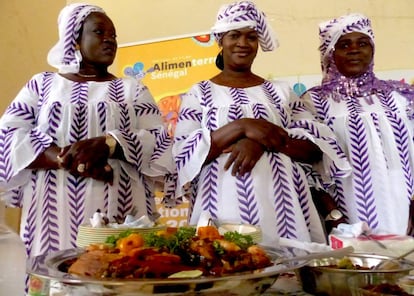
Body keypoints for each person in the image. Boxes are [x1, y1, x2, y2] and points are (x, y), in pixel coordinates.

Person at [0, 3, 175, 258]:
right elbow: (7, 136)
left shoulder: (133, 90)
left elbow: (160, 144)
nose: (109, 40)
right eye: (99, 32)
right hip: (51, 213)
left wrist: (109, 145)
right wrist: (64, 158)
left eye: (113, 35)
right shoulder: (43, 86)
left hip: (123, 214)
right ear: (75, 39)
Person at [171, 1, 351, 244]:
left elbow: (314, 149)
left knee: (287, 274)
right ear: (220, 40)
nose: (243, 43)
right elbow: (183, 157)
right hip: (220, 207)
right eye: (234, 35)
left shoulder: (281, 92)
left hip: (284, 205)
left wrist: (262, 143)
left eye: (251, 37)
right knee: (228, 267)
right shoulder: (200, 93)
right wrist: (243, 127)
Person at [301, 13, 414, 235]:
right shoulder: (312, 103)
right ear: (329, 54)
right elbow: (305, 166)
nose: (354, 49)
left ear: (372, 50)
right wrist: (331, 213)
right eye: (344, 45)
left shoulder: (402, 97)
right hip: (346, 212)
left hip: (404, 207)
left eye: (362, 43)